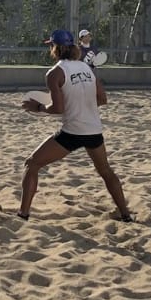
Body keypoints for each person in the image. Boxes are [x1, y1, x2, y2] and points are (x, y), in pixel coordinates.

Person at [17, 29, 132, 222]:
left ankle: (23, 215)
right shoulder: (87, 68)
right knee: (106, 171)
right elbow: (102, 99)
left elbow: (57, 108)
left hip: (72, 132)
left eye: (51, 45)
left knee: (32, 163)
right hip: (94, 130)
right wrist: (81, 103)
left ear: (55, 48)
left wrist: (37, 107)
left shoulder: (54, 73)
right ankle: (126, 215)